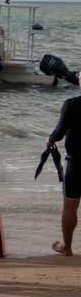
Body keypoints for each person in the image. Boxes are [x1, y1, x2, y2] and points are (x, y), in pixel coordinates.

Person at [47, 91, 80, 256]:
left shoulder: (72, 104)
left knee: (70, 205)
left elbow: (60, 131)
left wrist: (50, 139)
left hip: (76, 162)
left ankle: (67, 247)